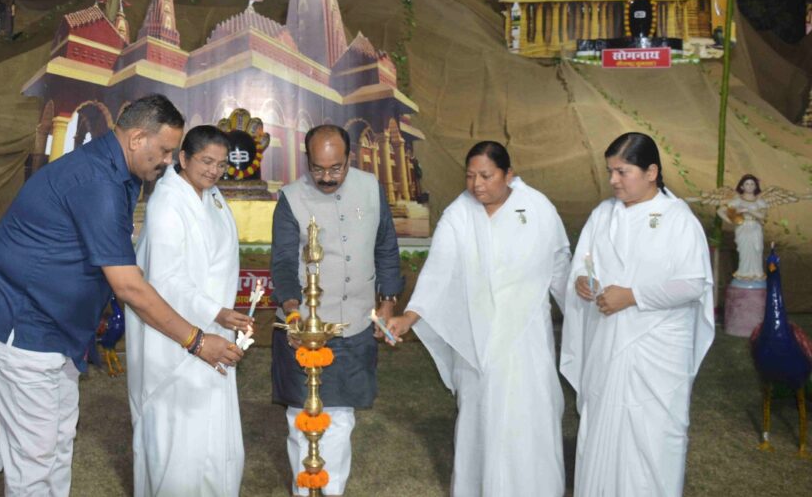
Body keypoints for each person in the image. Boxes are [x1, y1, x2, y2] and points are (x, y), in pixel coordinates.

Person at [0, 95, 243, 497]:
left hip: (57, 330)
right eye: (165, 150)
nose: (169, 161)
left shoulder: (120, 171)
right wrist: (197, 341)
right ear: (136, 139)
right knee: (34, 458)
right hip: (22, 326)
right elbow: (128, 286)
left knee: (59, 444)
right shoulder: (98, 181)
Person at [387, 141, 571, 496]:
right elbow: (439, 269)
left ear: (509, 175)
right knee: (481, 417)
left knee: (526, 417)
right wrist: (409, 317)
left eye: (486, 176)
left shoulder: (538, 208)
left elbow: (560, 270)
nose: (477, 185)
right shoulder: (459, 213)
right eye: (470, 176)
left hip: (526, 338)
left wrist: (584, 316)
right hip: (478, 340)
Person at [560, 132, 714, 497]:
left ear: (651, 172)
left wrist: (632, 296)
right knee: (602, 429)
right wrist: (582, 281)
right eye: (610, 171)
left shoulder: (678, 219)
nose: (613, 180)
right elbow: (583, 265)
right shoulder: (602, 215)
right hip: (606, 345)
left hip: (657, 353)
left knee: (653, 438)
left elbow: (693, 284)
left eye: (622, 171)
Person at [270, 124, 404, 496]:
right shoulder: (291, 199)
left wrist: (388, 304)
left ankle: (332, 492)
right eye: (318, 169)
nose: (327, 178)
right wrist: (296, 317)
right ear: (307, 160)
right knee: (302, 418)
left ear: (350, 158)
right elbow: (282, 263)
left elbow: (386, 251)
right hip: (304, 328)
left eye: (336, 168)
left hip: (356, 325)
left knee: (341, 419)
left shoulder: (371, 189)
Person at [127, 125, 253, 496]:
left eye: (222, 164)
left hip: (215, 326)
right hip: (174, 335)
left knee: (212, 426)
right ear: (183, 159)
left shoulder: (212, 197)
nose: (214, 170)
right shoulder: (168, 201)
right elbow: (167, 280)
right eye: (206, 161)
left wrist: (225, 315)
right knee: (178, 431)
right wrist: (217, 312)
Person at [718, 173, 768, 280]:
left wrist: (748, 210)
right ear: (742, 186)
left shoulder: (760, 201)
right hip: (743, 227)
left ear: (756, 187)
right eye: (747, 184)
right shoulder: (737, 201)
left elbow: (763, 216)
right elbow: (720, 211)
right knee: (744, 251)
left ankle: (757, 274)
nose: (749, 186)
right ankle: (744, 273)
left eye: (752, 184)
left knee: (757, 249)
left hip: (755, 227)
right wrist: (731, 220)